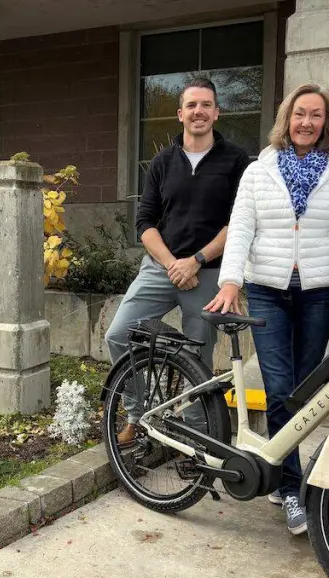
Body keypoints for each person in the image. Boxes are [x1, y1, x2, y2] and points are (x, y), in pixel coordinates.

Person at [205, 83, 329, 536]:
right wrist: (230, 280)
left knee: (304, 392)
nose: (306, 122)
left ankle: (281, 473)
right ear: (286, 118)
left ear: (326, 122)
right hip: (266, 290)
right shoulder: (260, 170)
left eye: (316, 115)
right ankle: (291, 486)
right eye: (300, 113)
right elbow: (241, 227)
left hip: (318, 293)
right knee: (280, 386)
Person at [105, 76, 250, 447]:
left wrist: (197, 260)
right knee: (119, 333)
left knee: (197, 355)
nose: (198, 112)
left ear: (216, 112)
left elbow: (239, 222)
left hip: (209, 273)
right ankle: (140, 415)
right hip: (160, 268)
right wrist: (174, 263)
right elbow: (144, 222)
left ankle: (191, 431)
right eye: (191, 105)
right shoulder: (162, 162)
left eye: (206, 105)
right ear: (180, 114)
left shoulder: (236, 161)